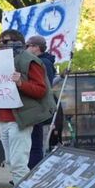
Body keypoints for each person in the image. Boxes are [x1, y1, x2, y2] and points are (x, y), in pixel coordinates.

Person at [0, 29, 56, 188]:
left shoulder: (29, 61)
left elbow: (41, 90)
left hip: (20, 119)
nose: (1, 44)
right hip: (5, 118)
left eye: (5, 41)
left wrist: (21, 83)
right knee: (11, 162)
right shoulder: (0, 61)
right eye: (0, 41)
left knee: (19, 164)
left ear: (17, 42)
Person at [26, 35, 57, 169]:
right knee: (29, 144)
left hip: (37, 110)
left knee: (35, 144)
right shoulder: (36, 62)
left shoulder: (44, 63)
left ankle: (33, 174)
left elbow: (44, 88)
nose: (25, 49)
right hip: (31, 109)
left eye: (27, 46)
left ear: (36, 48)